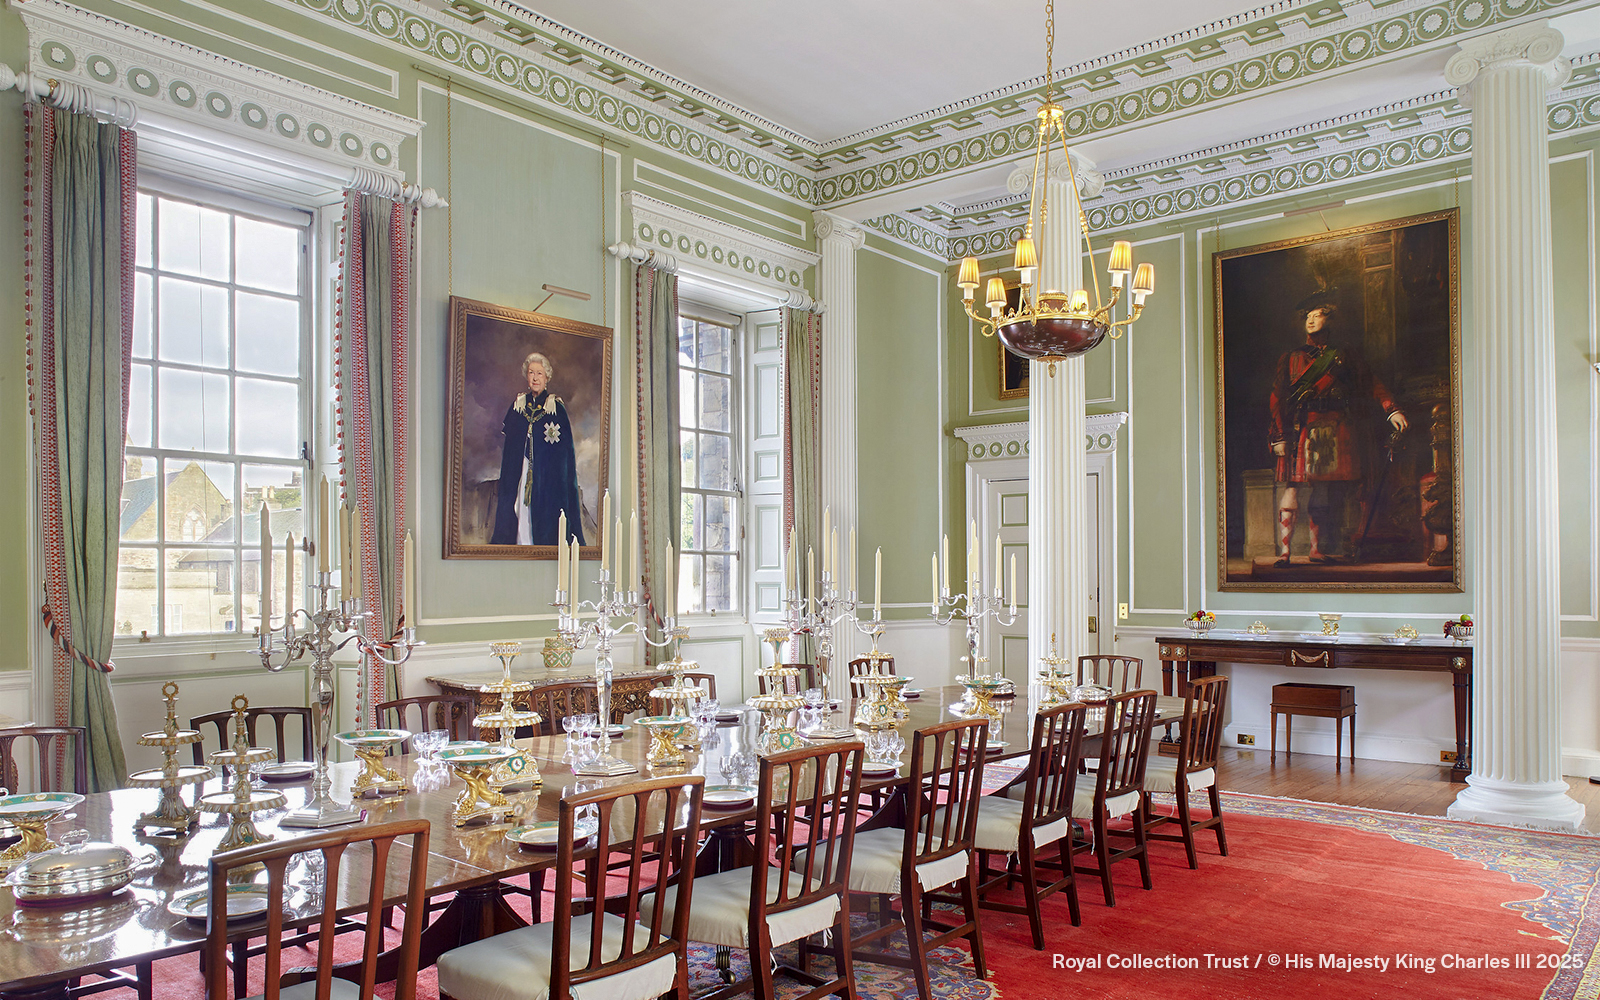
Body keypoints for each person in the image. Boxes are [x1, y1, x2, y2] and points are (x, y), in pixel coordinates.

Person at [1267, 291, 1407, 566]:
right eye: (1307, 316)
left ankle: (1315, 550)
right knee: (1292, 487)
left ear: (1329, 318)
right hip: (1301, 428)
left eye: (1317, 314)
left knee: (1322, 492)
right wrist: (1278, 436)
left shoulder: (1344, 356)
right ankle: (1285, 553)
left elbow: (1372, 383)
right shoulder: (1292, 357)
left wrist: (1392, 408)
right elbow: (1277, 398)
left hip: (1334, 428)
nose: (1310, 320)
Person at [491, 352, 585, 547]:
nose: (535, 378)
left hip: (547, 479)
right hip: (521, 471)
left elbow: (564, 455)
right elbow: (510, 451)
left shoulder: (555, 408)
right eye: (531, 373)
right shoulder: (518, 406)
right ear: (526, 376)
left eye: (539, 373)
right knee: (519, 507)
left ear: (547, 377)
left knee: (541, 511)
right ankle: (521, 545)